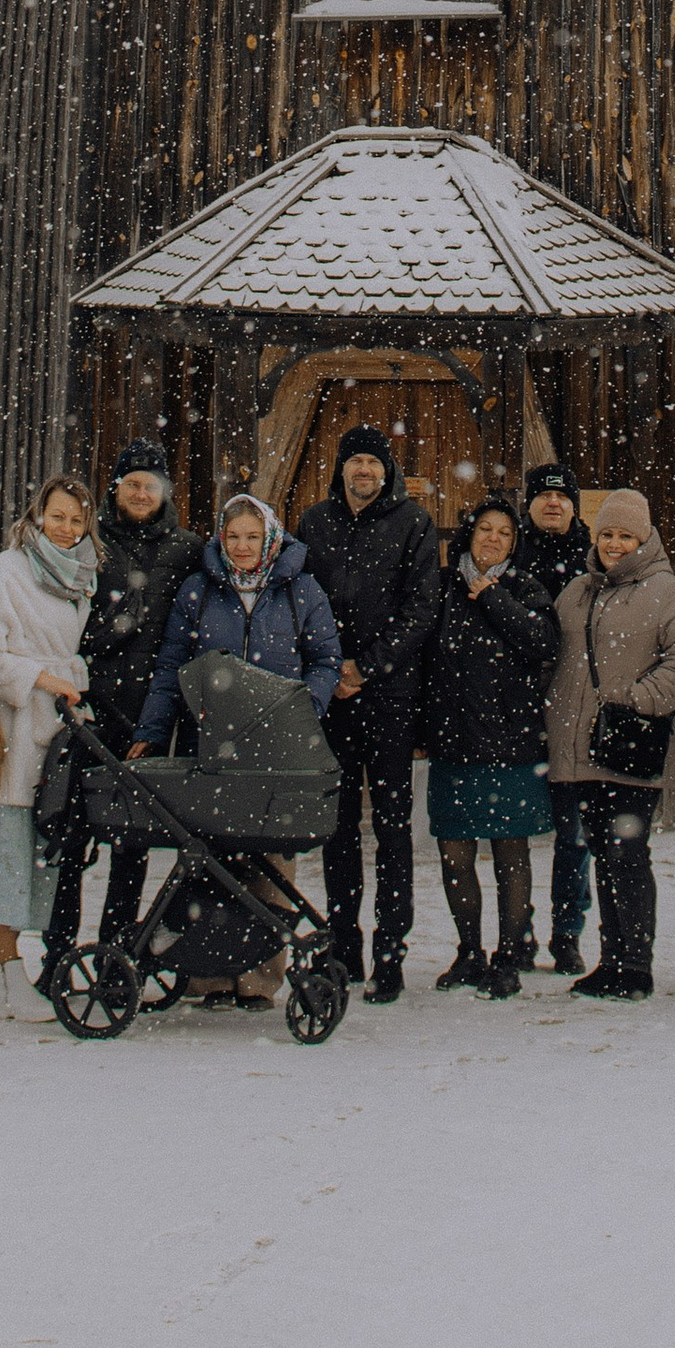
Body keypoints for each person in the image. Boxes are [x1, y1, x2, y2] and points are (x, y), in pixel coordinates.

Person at [135, 492, 341, 1006]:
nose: (243, 546)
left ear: (270, 537)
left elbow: (325, 660)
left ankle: (259, 979)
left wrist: (303, 710)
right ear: (221, 539)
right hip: (210, 745)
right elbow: (171, 665)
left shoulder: (301, 590)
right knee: (211, 858)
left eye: (252, 536)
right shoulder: (199, 591)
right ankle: (208, 975)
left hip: (278, 745)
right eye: (234, 537)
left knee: (271, 859)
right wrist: (152, 730)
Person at [39, 445, 202, 997]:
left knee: (132, 845)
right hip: (90, 707)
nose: (140, 493)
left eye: (150, 484)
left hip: (149, 715)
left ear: (165, 492)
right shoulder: (92, 542)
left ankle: (115, 959)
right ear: (115, 488)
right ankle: (57, 956)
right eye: (131, 482)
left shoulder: (186, 549)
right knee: (72, 840)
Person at [543, 489, 675, 1001]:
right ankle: (611, 960)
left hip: (631, 746)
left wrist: (637, 702)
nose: (615, 544)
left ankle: (635, 966)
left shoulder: (668, 592)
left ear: (645, 538)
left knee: (628, 854)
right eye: (607, 534)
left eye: (626, 536)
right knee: (602, 853)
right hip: (580, 751)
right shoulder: (576, 591)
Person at [297, 424, 439, 1005]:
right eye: (355, 461)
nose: (364, 471)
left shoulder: (414, 524)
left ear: (387, 470)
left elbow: (422, 607)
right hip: (331, 699)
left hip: (388, 699)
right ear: (341, 468)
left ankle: (390, 951)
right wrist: (330, 668)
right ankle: (342, 945)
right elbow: (300, 601)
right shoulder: (314, 523)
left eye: (373, 463)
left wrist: (370, 666)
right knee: (336, 829)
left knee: (392, 827)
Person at [420, 499, 560, 995]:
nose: (493, 539)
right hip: (453, 741)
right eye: (485, 529)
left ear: (515, 543)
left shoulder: (525, 587)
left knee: (510, 855)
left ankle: (507, 956)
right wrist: (422, 730)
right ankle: (469, 952)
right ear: (469, 534)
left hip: (511, 744)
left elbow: (545, 643)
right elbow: (421, 656)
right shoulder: (442, 587)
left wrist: (494, 597)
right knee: (455, 854)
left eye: (504, 532)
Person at [0, 478, 98, 1011]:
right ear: (38, 515)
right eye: (57, 516)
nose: (66, 529)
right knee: (9, 853)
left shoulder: (81, 576)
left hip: (56, 728)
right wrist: (43, 679)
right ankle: (7, 966)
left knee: (38, 855)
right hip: (14, 727)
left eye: (76, 520)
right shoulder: (5, 571)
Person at [511, 464, 594, 967]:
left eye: (562, 498)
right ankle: (517, 932)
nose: (553, 504)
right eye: (543, 496)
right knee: (514, 829)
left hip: (575, 707)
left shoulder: (593, 558)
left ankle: (567, 932)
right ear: (530, 504)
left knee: (574, 832)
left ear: (574, 506)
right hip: (517, 708)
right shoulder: (513, 553)